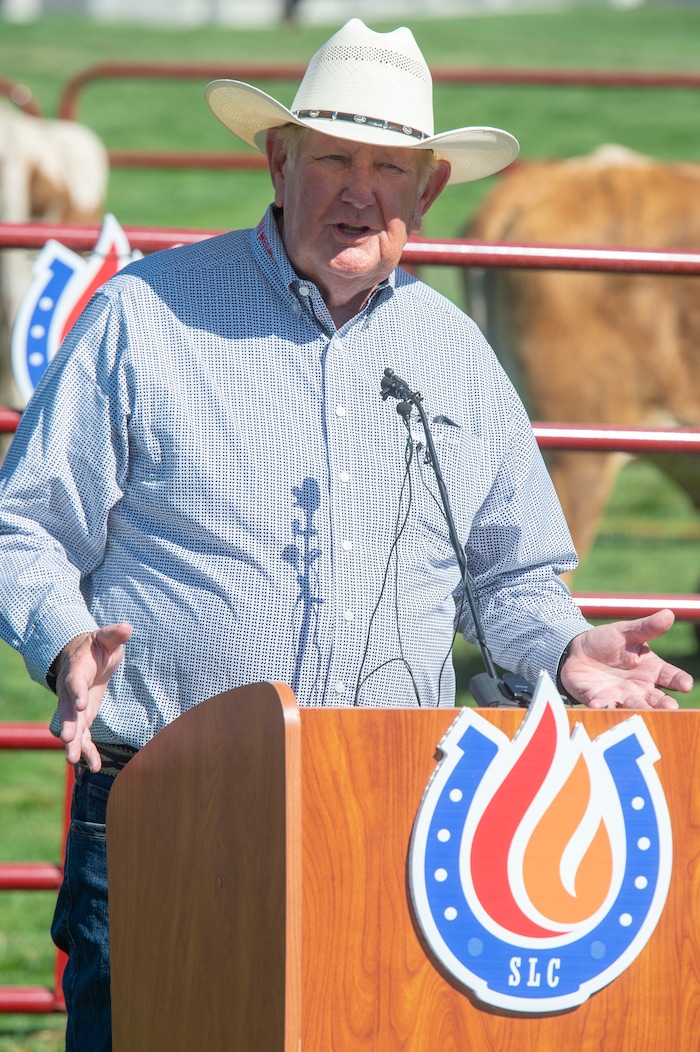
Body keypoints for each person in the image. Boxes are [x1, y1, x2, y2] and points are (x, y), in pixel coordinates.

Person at [0, 18, 691, 1051]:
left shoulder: (453, 354)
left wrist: (561, 646)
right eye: (332, 157)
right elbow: (22, 523)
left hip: (390, 811)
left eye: (389, 166)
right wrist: (64, 639)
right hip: (171, 795)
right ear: (281, 163)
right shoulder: (143, 316)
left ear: (426, 193)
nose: (358, 189)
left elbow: (511, 574)